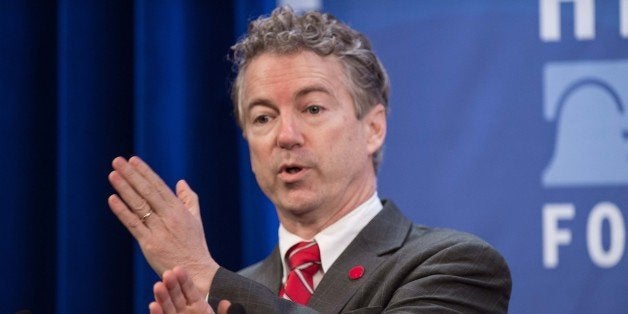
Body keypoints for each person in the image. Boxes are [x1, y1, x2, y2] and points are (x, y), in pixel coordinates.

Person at [108, 6, 512, 314]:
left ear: (373, 128)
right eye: (263, 117)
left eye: (313, 109)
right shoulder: (231, 290)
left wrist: (204, 273)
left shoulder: (456, 265)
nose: (286, 136)